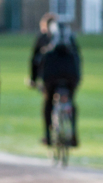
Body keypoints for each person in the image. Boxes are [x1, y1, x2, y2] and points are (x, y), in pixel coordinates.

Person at [30, 14, 81, 147]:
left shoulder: (43, 38)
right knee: (71, 100)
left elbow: (35, 61)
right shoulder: (70, 36)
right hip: (71, 75)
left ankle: (47, 135)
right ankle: (73, 133)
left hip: (51, 75)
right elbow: (78, 57)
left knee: (48, 102)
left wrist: (33, 80)